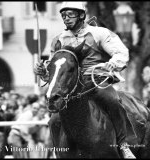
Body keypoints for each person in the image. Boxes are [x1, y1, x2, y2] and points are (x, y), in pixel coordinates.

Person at [34, 2, 135, 159]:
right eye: (63, 15)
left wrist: (112, 63)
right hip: (71, 87)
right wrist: (43, 72)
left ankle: (123, 145)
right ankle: (58, 152)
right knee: (54, 120)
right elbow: (56, 69)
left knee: (113, 100)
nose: (66, 18)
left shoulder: (99, 33)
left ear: (81, 15)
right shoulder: (58, 40)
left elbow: (121, 53)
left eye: (70, 14)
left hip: (96, 81)